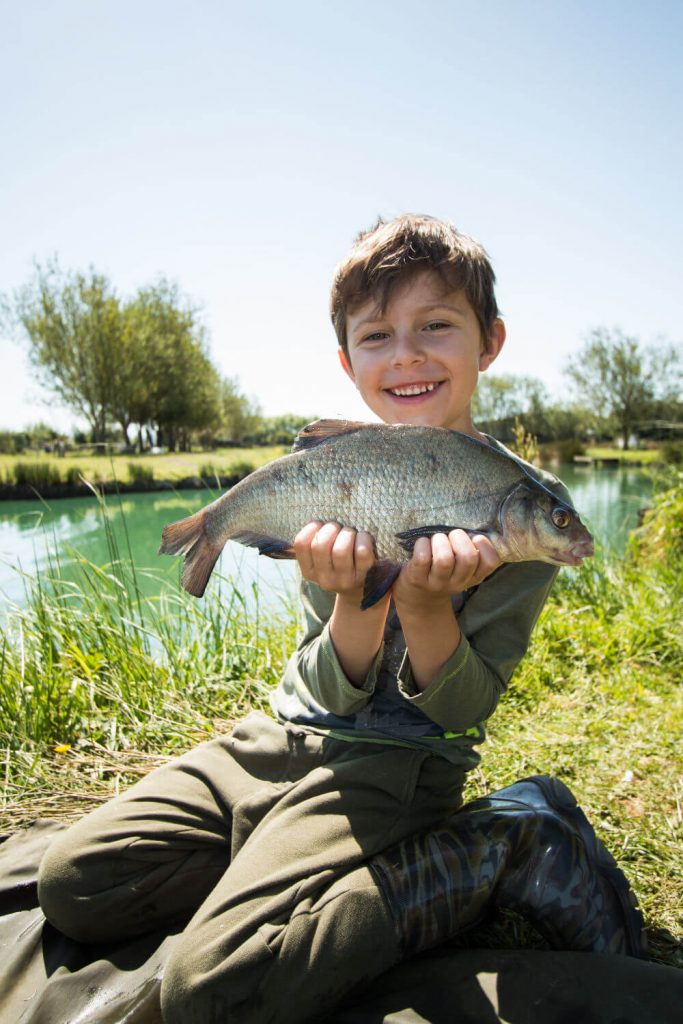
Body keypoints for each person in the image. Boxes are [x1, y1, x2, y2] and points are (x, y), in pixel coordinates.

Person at [37, 214, 646, 1024]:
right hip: (280, 739)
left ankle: (502, 843)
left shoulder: (523, 506)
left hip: (394, 765)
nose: (407, 354)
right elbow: (321, 677)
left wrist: (424, 605)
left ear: (488, 341)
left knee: (209, 992)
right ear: (346, 362)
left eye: (436, 326)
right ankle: (280, 859)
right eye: (376, 336)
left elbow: (464, 711)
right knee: (75, 884)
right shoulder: (342, 476)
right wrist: (353, 604)